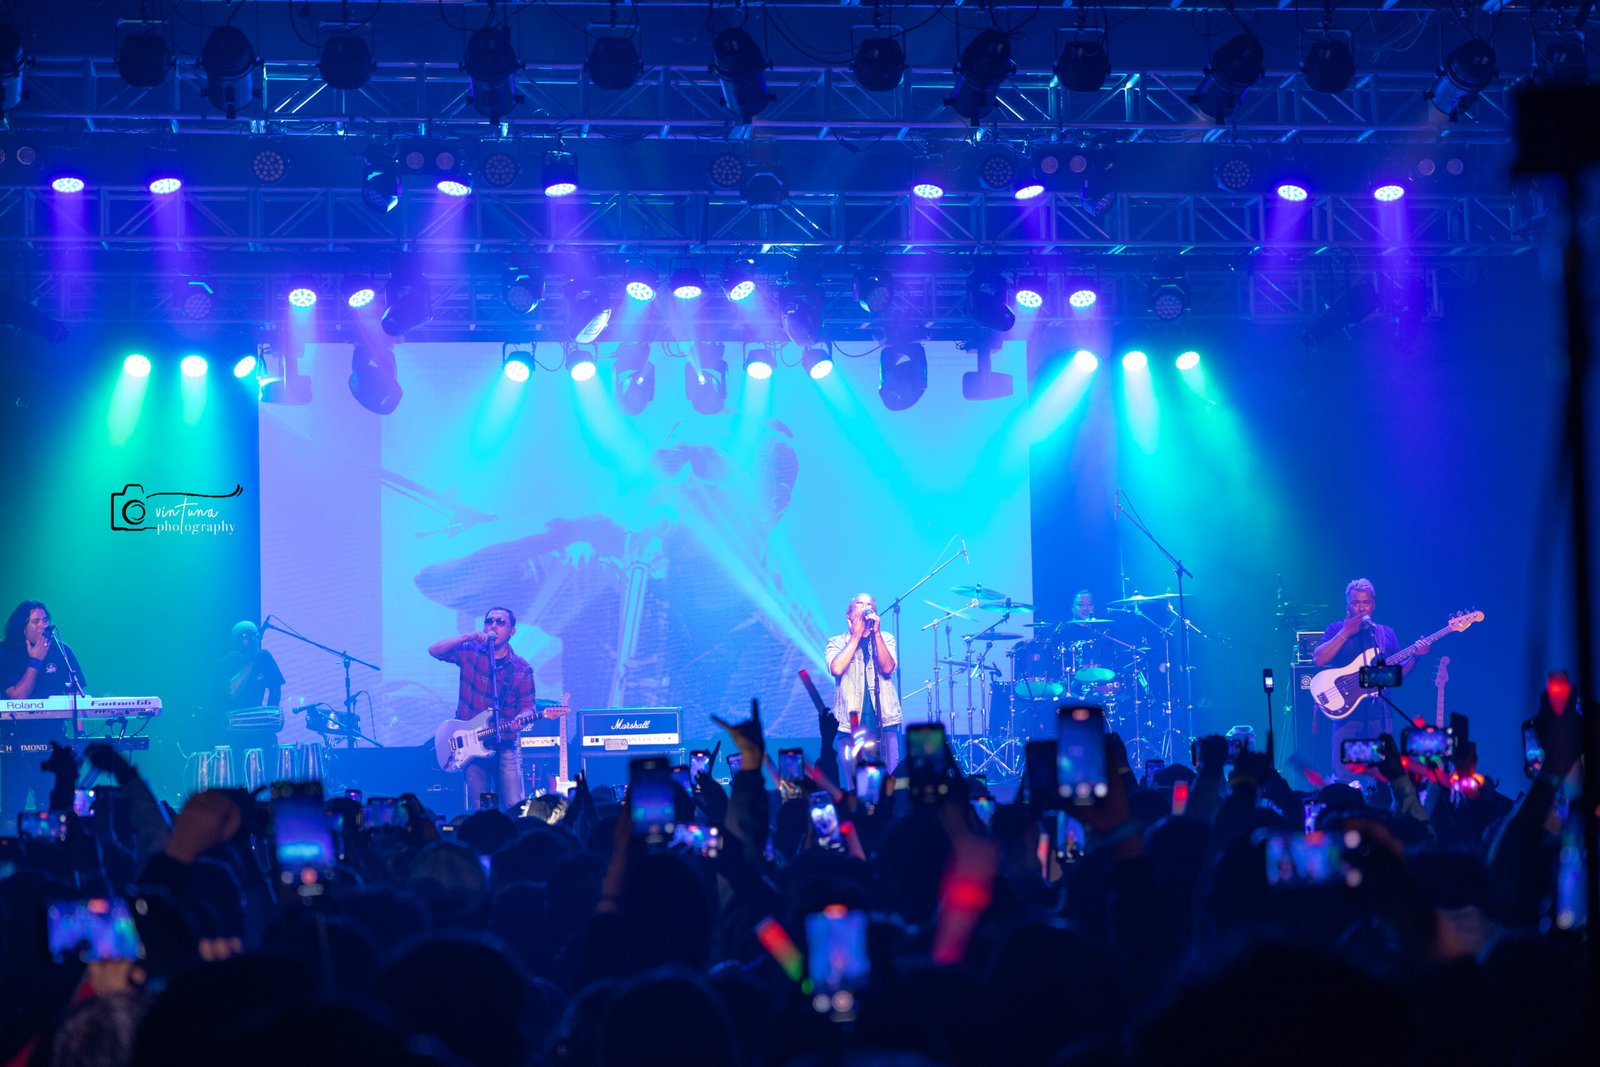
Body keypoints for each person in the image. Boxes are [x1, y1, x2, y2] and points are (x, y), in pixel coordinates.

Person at [1312, 578, 1430, 771]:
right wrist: (1345, 632)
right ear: (1348, 605)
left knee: (1382, 776)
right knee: (1345, 779)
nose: (1361, 608)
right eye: (1355, 603)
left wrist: (1416, 656)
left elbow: (1395, 676)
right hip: (1346, 720)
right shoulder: (1336, 629)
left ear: (1373, 605)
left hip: (1379, 717)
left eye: (1365, 603)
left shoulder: (1385, 634)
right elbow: (1319, 659)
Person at [428, 607, 534, 810]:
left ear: (512, 631)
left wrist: (522, 717)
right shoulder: (471, 651)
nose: (493, 625)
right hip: (471, 744)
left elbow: (528, 706)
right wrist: (467, 636)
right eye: (489, 621)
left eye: (500, 622)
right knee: (480, 807)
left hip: (505, 743)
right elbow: (434, 650)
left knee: (514, 804)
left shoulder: (521, 668)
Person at [0, 600, 87, 821]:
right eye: (36, 621)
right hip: (15, 742)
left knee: (56, 809)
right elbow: (18, 696)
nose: (43, 626)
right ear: (22, 627)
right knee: (12, 810)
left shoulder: (62, 650)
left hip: (54, 741)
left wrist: (80, 737)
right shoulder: (6, 652)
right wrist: (35, 661)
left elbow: (76, 697)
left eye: (45, 620)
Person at [825, 593, 901, 778]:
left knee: (890, 782)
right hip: (849, 726)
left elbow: (888, 668)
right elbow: (836, 668)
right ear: (849, 613)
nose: (865, 607)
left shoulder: (885, 638)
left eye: (869, 605)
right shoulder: (836, 642)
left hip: (884, 723)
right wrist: (856, 636)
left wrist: (876, 633)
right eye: (859, 604)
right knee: (855, 783)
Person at [218, 621, 284, 711]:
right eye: (245, 636)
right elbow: (231, 692)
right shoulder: (227, 662)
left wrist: (271, 712)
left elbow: (275, 686)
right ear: (236, 640)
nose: (252, 639)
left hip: (255, 715)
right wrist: (249, 661)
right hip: (234, 716)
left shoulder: (264, 656)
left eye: (254, 635)